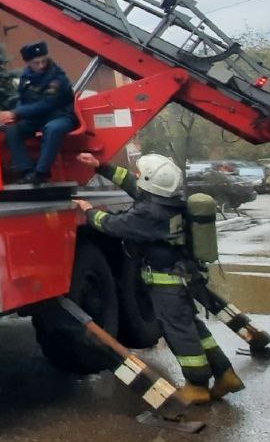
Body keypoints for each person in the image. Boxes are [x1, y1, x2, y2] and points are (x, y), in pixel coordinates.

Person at [75, 152, 245, 405]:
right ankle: (224, 373)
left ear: (149, 182)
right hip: (184, 275)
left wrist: (89, 212)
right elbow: (133, 184)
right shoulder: (168, 202)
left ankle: (197, 385)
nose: (135, 176)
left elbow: (113, 225)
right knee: (194, 327)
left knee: (178, 331)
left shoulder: (149, 213)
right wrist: (102, 167)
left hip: (167, 282)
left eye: (140, 174)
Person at [0, 41, 77, 184]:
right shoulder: (26, 78)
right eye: (36, 63)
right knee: (12, 130)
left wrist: (15, 113)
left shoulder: (57, 78)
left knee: (52, 129)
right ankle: (27, 171)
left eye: (43, 61)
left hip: (60, 116)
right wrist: (10, 116)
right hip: (37, 119)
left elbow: (48, 104)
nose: (41, 65)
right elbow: (23, 100)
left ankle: (41, 173)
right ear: (28, 63)